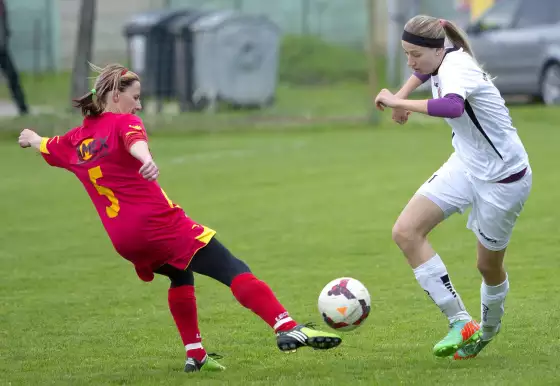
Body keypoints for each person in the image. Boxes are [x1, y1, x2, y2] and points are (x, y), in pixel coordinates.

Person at [17, 63, 342, 372]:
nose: (139, 106)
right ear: (116, 96)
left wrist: (31, 138)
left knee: (180, 275)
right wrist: (146, 159)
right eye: (135, 97)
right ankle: (287, 327)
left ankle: (195, 356)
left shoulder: (76, 140)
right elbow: (136, 142)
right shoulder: (123, 122)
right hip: (158, 225)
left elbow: (46, 144)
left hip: (124, 240)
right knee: (232, 267)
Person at [374, 15, 532, 360]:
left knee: (487, 267)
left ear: (436, 49)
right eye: (405, 54)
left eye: (414, 54)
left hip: (503, 180)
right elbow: (425, 71)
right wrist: (401, 93)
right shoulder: (440, 57)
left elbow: (451, 106)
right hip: (465, 165)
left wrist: (400, 104)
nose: (410, 62)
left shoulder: (457, 68)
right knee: (405, 232)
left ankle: (487, 330)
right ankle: (461, 321)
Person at [0, 0, 29, 115]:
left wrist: (6, 36)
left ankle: (23, 108)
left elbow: (4, 23)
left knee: (13, 77)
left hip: (2, 48)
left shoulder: (2, 4)